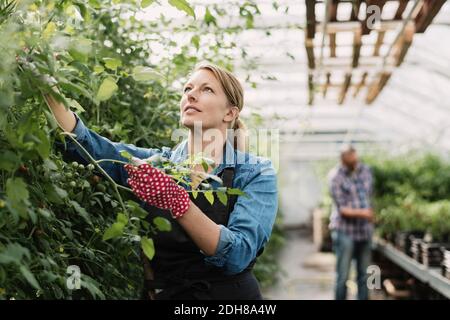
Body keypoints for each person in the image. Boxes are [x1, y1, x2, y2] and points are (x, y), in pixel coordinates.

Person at [43, 62, 278, 300]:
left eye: (207, 89)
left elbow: (238, 255)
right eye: (188, 89)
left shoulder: (254, 173)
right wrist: (45, 80)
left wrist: (176, 201)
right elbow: (86, 145)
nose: (192, 95)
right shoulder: (157, 165)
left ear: (230, 113)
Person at [328, 145, 374, 300]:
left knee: (365, 275)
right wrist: (364, 213)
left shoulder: (365, 171)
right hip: (344, 230)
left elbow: (368, 195)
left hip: (364, 230)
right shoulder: (336, 176)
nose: (355, 162)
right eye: (351, 160)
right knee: (343, 275)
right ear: (343, 159)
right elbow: (342, 209)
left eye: (355, 158)